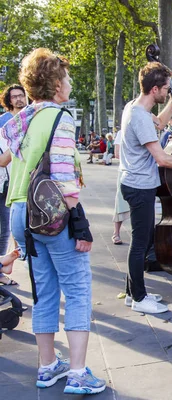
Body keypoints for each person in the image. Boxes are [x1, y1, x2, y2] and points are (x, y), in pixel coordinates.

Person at [0, 48, 105, 394]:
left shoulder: (20, 119)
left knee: (43, 293)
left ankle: (47, 367)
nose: (70, 83)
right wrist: (80, 221)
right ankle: (77, 373)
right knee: (76, 290)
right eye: (67, 77)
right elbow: (61, 174)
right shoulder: (60, 117)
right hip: (52, 215)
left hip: (19, 211)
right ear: (56, 83)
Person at [119, 61, 172, 314]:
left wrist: (171, 103)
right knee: (141, 243)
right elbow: (162, 158)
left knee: (141, 241)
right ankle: (139, 299)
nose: (168, 92)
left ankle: (133, 292)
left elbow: (159, 123)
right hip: (140, 186)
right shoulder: (139, 117)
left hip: (135, 183)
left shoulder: (134, 108)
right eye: (166, 89)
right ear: (155, 89)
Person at [0, 84, 26, 286]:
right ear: (8, 100)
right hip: (6, 181)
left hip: (22, 181)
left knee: (11, 227)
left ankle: (8, 262)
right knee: (5, 228)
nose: (18, 99)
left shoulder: (30, 118)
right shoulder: (4, 123)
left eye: (21, 95)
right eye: (14, 96)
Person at [112, 129, 129, 245]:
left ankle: (116, 233)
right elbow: (117, 154)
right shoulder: (121, 132)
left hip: (128, 171)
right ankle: (116, 233)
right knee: (120, 202)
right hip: (126, 171)